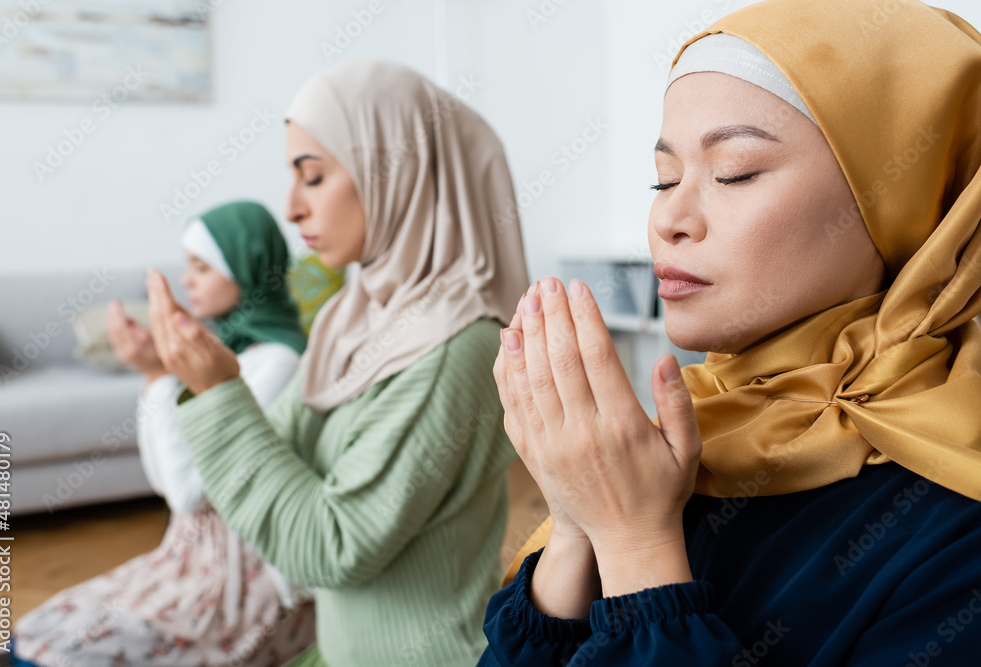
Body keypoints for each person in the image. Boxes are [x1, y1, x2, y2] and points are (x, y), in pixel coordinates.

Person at [479, 1, 981, 664]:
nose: (669, 218)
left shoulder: (957, 522)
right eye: (663, 177)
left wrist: (636, 543)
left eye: (733, 171)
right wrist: (579, 523)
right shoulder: (684, 433)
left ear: (908, 198)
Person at [143, 60, 531, 667]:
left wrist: (218, 389)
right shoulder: (348, 316)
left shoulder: (457, 345)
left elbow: (331, 545)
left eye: (314, 177)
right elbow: (277, 459)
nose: (291, 208)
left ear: (397, 173)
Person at [10, 201, 318, 666]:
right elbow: (164, 481)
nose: (187, 279)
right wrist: (153, 376)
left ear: (247, 266)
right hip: (186, 550)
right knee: (34, 633)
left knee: (56, 655)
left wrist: (159, 375)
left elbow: (189, 494)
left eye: (202, 266)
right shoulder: (228, 350)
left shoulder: (278, 362)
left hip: (237, 570)